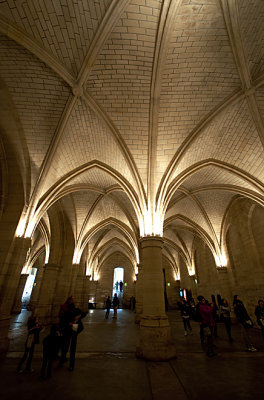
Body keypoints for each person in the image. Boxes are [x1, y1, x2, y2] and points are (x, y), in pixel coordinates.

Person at [59, 297, 87, 371]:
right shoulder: (67, 313)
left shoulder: (74, 311)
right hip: (69, 331)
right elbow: (62, 321)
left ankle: (67, 363)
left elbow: (83, 314)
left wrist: (79, 316)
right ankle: (66, 362)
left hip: (72, 331)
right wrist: (69, 323)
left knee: (68, 347)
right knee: (67, 347)